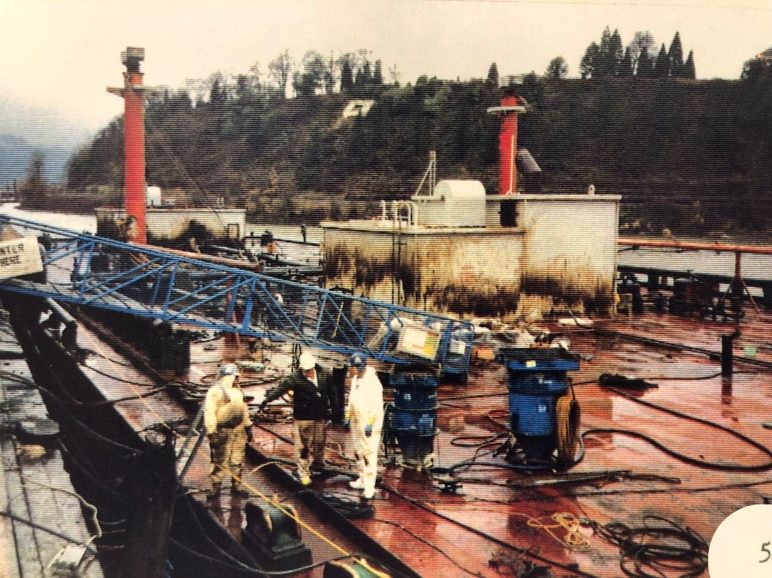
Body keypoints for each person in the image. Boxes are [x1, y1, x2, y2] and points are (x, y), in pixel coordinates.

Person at [259, 351, 335, 486]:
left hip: (319, 416)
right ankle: (304, 473)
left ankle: (318, 463)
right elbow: (280, 390)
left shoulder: (324, 374)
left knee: (319, 442)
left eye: (309, 370)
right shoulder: (294, 379)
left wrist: (336, 412)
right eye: (304, 370)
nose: (306, 372)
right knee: (303, 447)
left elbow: (333, 392)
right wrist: (267, 400)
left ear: (313, 367)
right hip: (303, 418)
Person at [203, 363, 253, 498]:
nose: (237, 379)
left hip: (238, 430)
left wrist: (248, 427)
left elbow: (244, 409)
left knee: (237, 460)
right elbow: (209, 413)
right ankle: (215, 488)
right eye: (235, 377)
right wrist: (212, 433)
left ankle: (236, 486)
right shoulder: (215, 392)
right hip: (223, 431)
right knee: (219, 461)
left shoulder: (237, 391)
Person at [345, 354, 384, 500]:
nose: (350, 370)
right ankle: (361, 479)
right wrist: (348, 416)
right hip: (356, 422)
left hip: (369, 425)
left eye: (352, 367)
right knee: (358, 452)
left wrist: (370, 422)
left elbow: (376, 405)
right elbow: (352, 400)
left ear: (358, 367)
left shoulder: (373, 382)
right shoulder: (356, 379)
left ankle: (369, 487)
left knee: (368, 454)